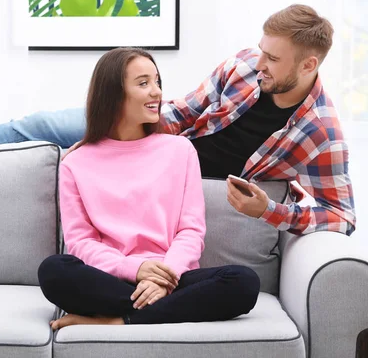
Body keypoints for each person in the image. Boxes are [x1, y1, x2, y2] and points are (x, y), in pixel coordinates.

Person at [0, 4, 355, 236]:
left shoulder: (322, 133)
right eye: (262, 50)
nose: (259, 62)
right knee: (38, 130)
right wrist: (140, 121)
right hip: (155, 136)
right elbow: (186, 110)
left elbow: (343, 217)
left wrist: (271, 212)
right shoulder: (247, 63)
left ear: (308, 65)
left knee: (52, 168)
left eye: (273, 58)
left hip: (170, 176)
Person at [36, 47, 260, 329]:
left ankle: (120, 320)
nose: (156, 92)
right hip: (110, 278)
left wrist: (165, 278)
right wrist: (136, 269)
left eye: (157, 82)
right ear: (113, 94)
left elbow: (190, 230)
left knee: (243, 282)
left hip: (172, 277)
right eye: (143, 83)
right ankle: (160, 313)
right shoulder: (76, 163)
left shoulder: (180, 150)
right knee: (54, 271)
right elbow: (80, 242)